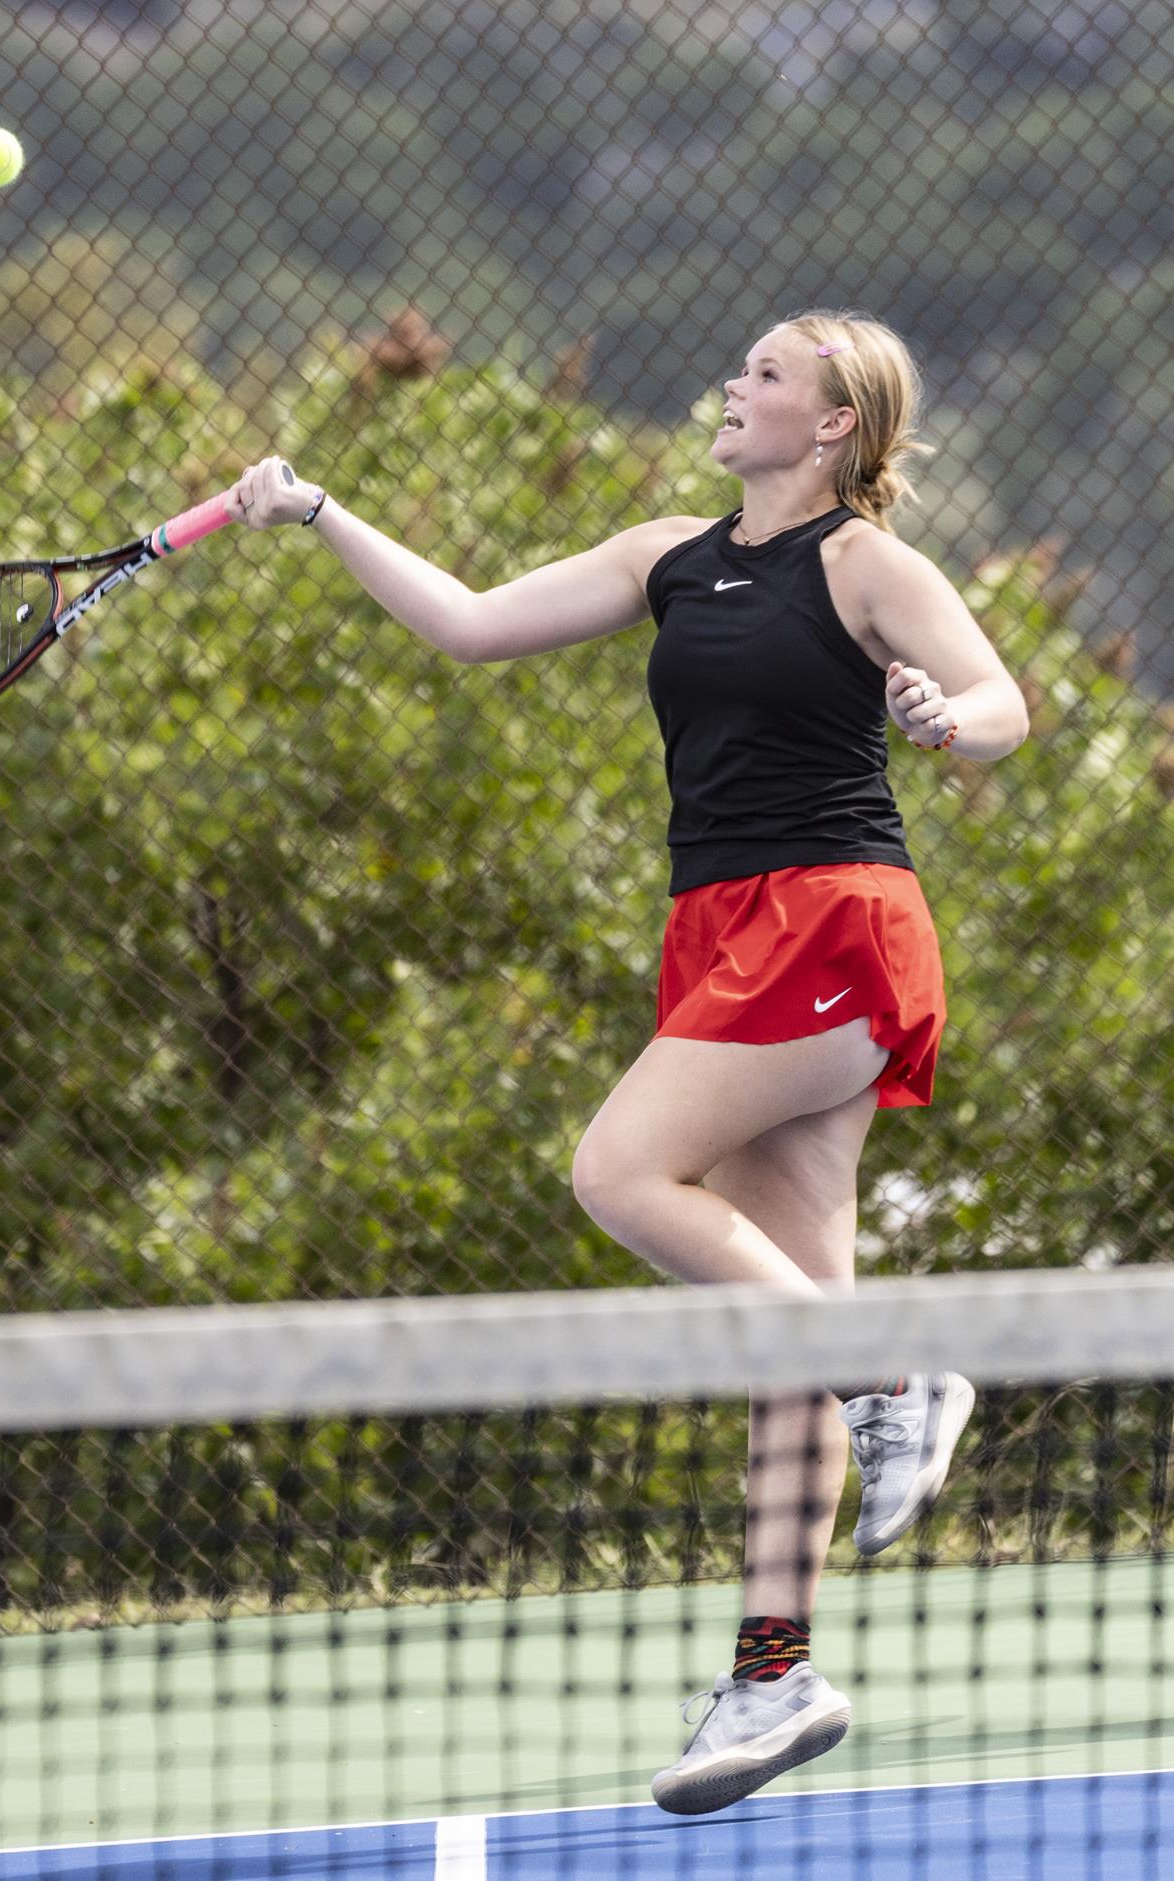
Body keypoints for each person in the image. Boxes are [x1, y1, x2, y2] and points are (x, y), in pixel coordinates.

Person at [227, 307, 1030, 1814]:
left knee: (615, 1169)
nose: (737, 385)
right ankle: (775, 1665)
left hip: (834, 919)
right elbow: (469, 622)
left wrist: (947, 717)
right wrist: (321, 511)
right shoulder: (670, 551)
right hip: (721, 930)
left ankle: (899, 1375)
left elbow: (1004, 703)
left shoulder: (864, 565)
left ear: (836, 424)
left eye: (771, 374)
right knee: (776, 1320)